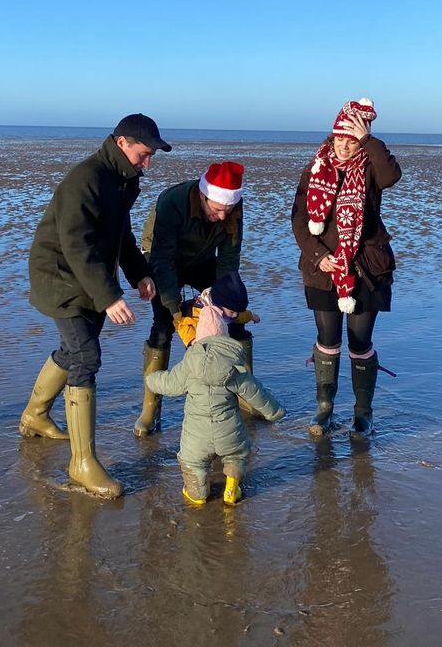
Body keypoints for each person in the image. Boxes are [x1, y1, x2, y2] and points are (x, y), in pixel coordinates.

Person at [19, 113, 171, 499]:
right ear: (122, 143)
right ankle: (81, 464)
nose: (147, 163)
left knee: (73, 350)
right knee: (86, 356)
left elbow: (120, 232)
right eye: (143, 154)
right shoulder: (85, 179)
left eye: (151, 156)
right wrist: (109, 297)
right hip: (59, 276)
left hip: (88, 276)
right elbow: (76, 245)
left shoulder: (125, 179)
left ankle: (35, 415)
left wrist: (139, 273)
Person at [291, 98, 401, 437]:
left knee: (359, 340)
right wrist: (318, 255)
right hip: (322, 270)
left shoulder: (369, 165)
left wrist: (368, 141)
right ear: (331, 137)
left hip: (366, 268)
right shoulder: (314, 168)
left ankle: (362, 413)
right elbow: (298, 218)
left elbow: (391, 175)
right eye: (340, 137)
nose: (344, 144)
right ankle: (324, 408)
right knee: (327, 338)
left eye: (351, 139)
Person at [146, 272, 285, 505]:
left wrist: (151, 378)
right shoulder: (234, 368)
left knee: (192, 462)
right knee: (237, 454)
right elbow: (257, 393)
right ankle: (232, 488)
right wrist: (275, 412)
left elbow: (169, 384)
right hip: (229, 431)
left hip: (196, 436)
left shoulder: (190, 365)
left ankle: (198, 494)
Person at [134, 160, 250, 437]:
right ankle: (151, 410)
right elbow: (162, 260)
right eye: (218, 209)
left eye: (228, 210)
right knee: (163, 328)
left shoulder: (234, 208)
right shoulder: (173, 202)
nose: (223, 216)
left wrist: (222, 299)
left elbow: (230, 258)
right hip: (161, 258)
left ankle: (243, 398)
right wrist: (175, 309)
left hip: (201, 260)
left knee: (233, 317)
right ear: (203, 195)